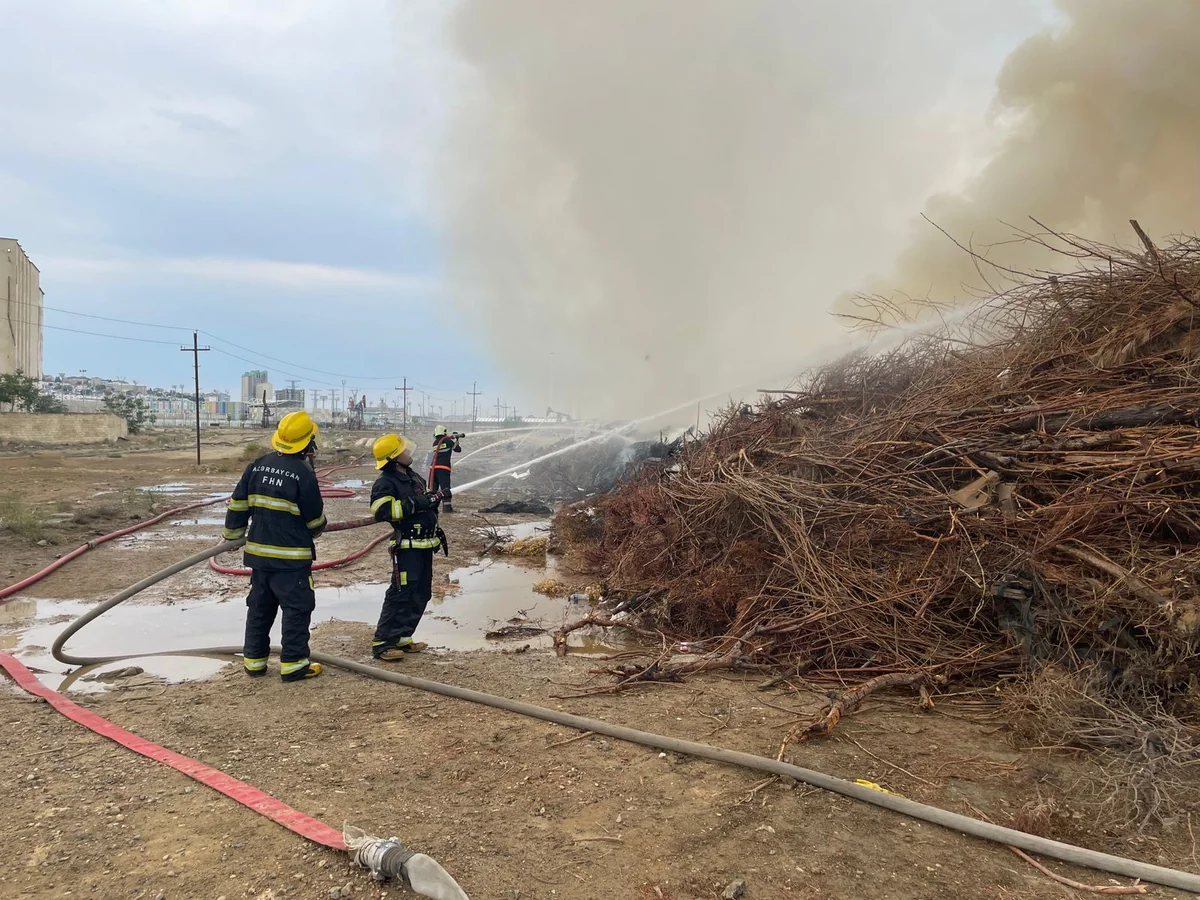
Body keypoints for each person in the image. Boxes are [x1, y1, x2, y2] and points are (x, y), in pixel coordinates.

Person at [223, 410, 326, 682]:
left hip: (259, 557)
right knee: (296, 608)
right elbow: (314, 519)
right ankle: (294, 665)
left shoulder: (257, 465)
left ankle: (254, 663)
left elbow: (237, 504)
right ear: (307, 443)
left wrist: (233, 535)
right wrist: (316, 529)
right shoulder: (303, 474)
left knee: (260, 609)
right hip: (291, 561)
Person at [370, 433, 448, 660]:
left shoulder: (412, 477)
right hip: (407, 548)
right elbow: (381, 510)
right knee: (400, 593)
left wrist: (434, 498)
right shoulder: (385, 482)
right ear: (394, 458)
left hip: (424, 545)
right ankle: (383, 642)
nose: (409, 452)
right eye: (403, 450)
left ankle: (403, 637)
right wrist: (421, 502)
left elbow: (424, 501)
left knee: (421, 592)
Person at [428, 425, 462, 513]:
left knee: (432, 489)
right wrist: (457, 440)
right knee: (445, 489)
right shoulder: (447, 441)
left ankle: (432, 509)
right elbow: (458, 449)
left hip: (433, 469)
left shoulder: (435, 442)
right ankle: (447, 509)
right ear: (444, 432)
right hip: (443, 469)